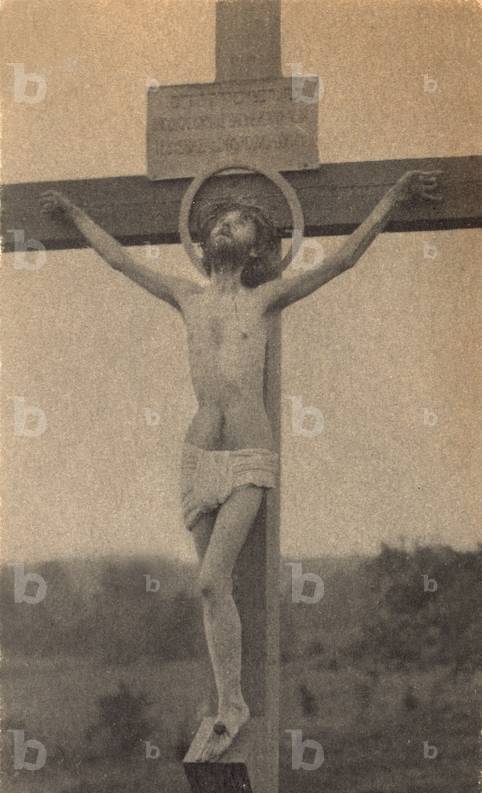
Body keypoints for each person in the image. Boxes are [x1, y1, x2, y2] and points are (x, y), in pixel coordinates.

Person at [40, 168, 440, 760]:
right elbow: (120, 261)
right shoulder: (187, 296)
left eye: (241, 222)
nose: (227, 227)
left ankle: (234, 705)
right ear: (204, 243)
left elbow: (342, 262)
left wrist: (393, 196)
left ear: (257, 246)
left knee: (209, 579)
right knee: (210, 592)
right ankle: (227, 705)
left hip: (250, 456)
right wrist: (73, 215)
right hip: (199, 456)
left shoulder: (266, 299)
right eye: (220, 223)